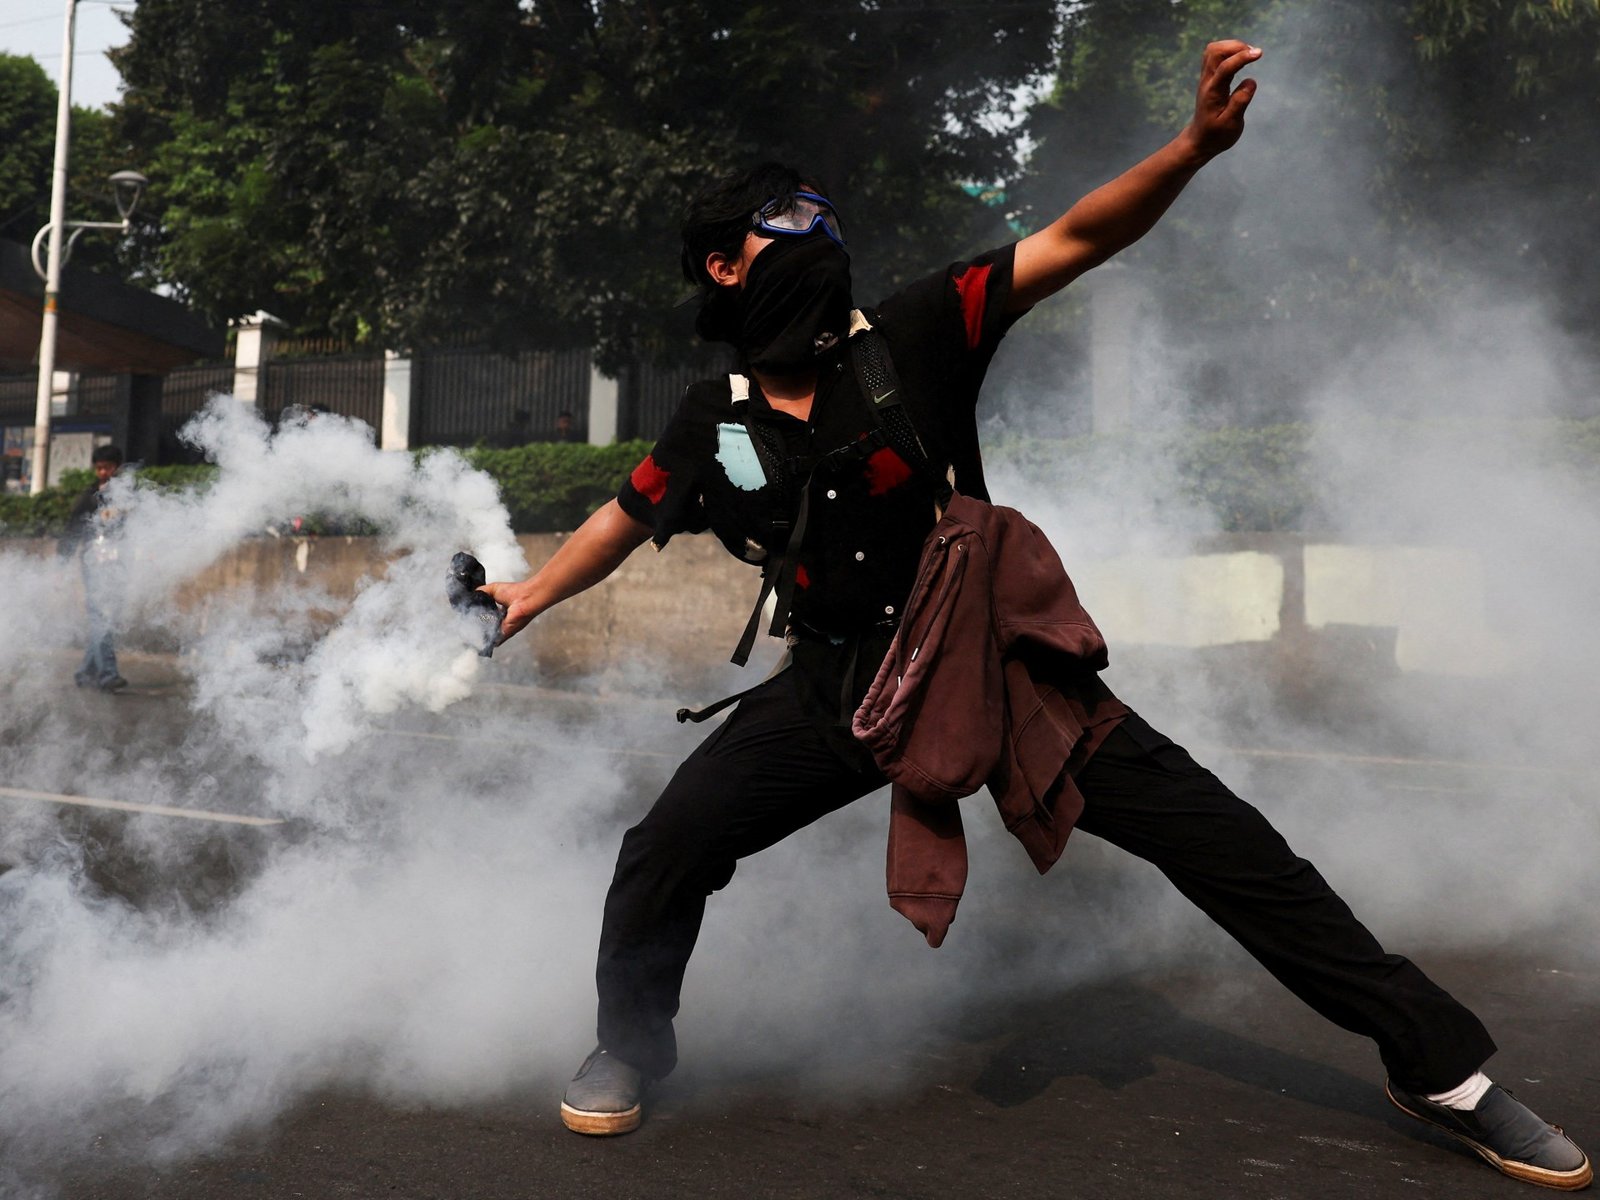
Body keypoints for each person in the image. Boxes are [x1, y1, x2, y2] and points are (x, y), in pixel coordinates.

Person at [482, 41, 1590, 1189]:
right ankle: (629, 1045)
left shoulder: (915, 334)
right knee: (668, 845)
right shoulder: (712, 419)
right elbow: (627, 516)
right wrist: (528, 591)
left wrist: (1189, 150)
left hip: (996, 675)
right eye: (786, 219)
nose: (819, 230)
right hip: (833, 690)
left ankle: (1439, 1070)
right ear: (724, 265)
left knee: (1233, 849)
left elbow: (1076, 237)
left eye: (824, 214)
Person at [59, 443, 129, 692]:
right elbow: (73, 528)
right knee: (101, 616)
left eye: (107, 467)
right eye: (99, 468)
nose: (102, 473)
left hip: (117, 563)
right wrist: (62, 558)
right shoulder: (89, 497)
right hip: (93, 563)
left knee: (107, 617)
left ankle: (85, 672)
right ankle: (108, 674)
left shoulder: (126, 493)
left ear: (117, 467)